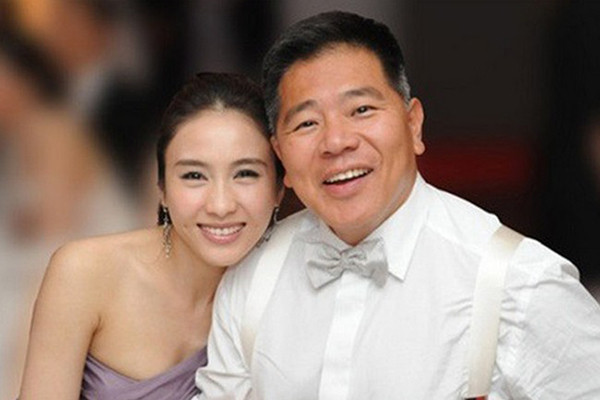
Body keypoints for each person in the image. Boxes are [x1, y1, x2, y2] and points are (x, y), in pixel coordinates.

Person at [195, 11, 600, 399]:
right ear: (280, 154)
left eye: (361, 110)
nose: (336, 142)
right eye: (307, 123)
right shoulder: (251, 279)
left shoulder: (519, 283)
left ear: (413, 124)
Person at [19, 72, 283, 400]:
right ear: (162, 189)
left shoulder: (284, 288)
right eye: (194, 175)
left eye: (245, 173)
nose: (220, 205)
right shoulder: (84, 271)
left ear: (279, 188)